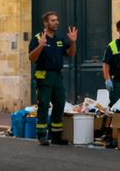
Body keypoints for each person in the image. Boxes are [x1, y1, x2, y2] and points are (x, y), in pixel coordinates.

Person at [28, 11, 77, 146]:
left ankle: (56, 135)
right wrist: (41, 46)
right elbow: (32, 58)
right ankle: (42, 135)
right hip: (43, 75)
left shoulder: (59, 39)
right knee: (43, 104)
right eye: (53, 20)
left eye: (57, 20)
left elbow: (71, 54)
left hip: (57, 75)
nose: (57, 22)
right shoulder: (38, 38)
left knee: (60, 103)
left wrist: (73, 42)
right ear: (45, 23)